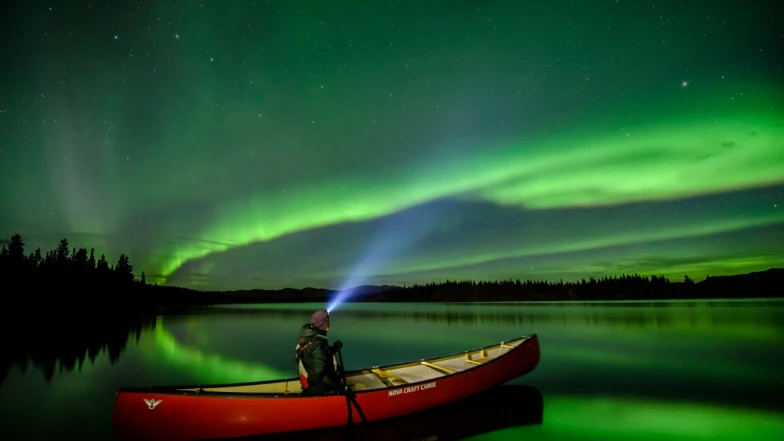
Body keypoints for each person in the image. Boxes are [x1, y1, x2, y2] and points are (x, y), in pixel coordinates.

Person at [295, 309, 345, 395]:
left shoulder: (308, 338)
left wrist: (334, 348)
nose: (329, 325)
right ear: (324, 324)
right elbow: (319, 371)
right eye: (327, 321)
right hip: (320, 388)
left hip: (310, 386)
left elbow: (319, 355)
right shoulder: (318, 344)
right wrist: (338, 387)